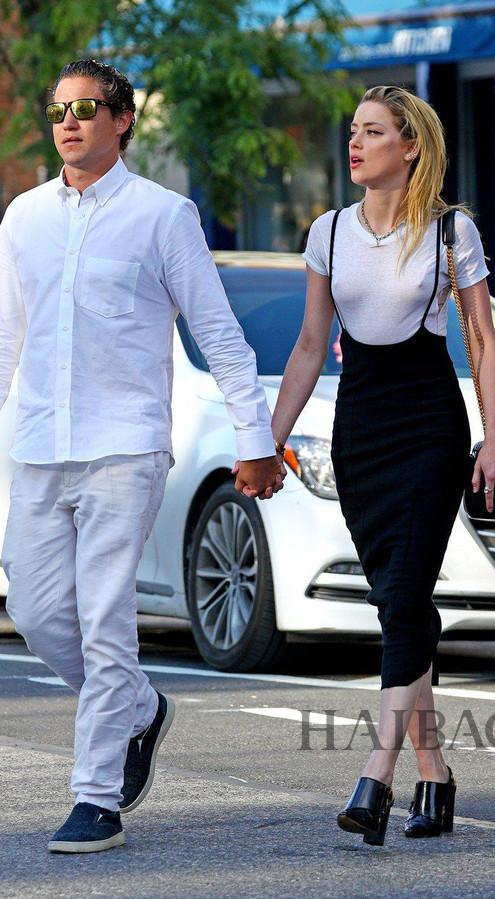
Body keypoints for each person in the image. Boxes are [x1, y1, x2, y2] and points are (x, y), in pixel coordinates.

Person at [0, 58, 282, 853]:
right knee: (37, 612)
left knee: (103, 616)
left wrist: (254, 438)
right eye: (59, 110)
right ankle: (139, 709)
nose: (69, 122)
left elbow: (219, 333)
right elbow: (6, 338)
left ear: (122, 120)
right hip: (38, 443)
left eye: (87, 108)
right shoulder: (23, 217)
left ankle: (96, 797)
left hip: (125, 445)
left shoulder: (164, 215)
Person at [269, 85, 495, 844]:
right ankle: (434, 772)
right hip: (360, 433)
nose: (355, 143)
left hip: (430, 430)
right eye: (353, 131)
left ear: (410, 146)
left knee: (405, 592)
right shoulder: (328, 232)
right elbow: (310, 344)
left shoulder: (449, 231)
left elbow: (483, 339)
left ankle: (377, 773)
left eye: (372, 132)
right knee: (398, 604)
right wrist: (265, 440)